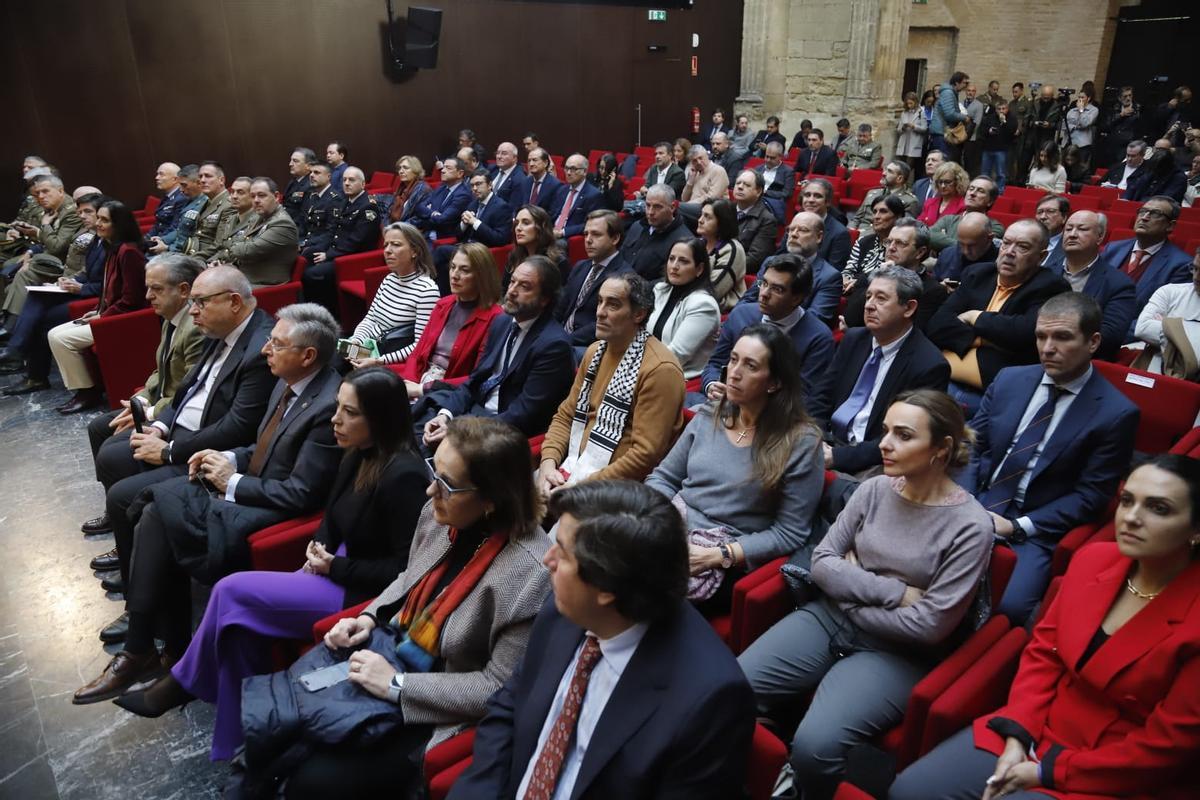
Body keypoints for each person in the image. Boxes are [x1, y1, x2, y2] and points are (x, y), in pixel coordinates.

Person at [112, 366, 429, 763]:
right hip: (334, 566)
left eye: (350, 413)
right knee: (239, 631)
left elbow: (407, 570)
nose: (335, 419)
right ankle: (240, 742)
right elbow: (333, 515)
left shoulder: (405, 476)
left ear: (380, 419)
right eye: (337, 409)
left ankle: (180, 683)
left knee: (230, 590)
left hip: (362, 595)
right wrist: (320, 547)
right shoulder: (357, 450)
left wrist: (334, 567)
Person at [228, 416, 552, 796]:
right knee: (272, 732)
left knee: (312, 782)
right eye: (435, 472)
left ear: (491, 501)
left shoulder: (532, 574)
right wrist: (368, 617)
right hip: (389, 650)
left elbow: (495, 687)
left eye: (447, 484)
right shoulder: (439, 514)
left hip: (432, 705)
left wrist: (396, 684)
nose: (431, 490)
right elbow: (409, 576)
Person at [72, 303, 344, 705]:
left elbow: (301, 493)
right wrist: (229, 457)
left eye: (277, 343)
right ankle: (156, 644)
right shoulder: (289, 380)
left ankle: (143, 649)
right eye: (268, 340)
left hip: (273, 511)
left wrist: (231, 479)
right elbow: (266, 444)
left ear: (307, 355)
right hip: (251, 485)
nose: (266, 349)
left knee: (158, 511)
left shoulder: (327, 406)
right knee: (154, 509)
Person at [891, 454, 1200, 800]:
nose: (1131, 517)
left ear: (1195, 530)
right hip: (1040, 724)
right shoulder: (1094, 559)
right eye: (1127, 500)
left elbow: (1166, 746)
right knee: (911, 790)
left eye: (1158, 509)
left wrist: (1047, 771)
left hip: (1115, 769)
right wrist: (1018, 733)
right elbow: (1043, 653)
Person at [739, 388, 993, 799]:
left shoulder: (970, 527)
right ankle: (760, 763)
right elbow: (822, 563)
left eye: (904, 435)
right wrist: (895, 591)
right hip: (828, 617)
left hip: (896, 651)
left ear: (941, 449)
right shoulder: (874, 489)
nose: (886, 444)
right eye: (886, 431)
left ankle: (802, 787)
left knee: (814, 749)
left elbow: (928, 626)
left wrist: (849, 586)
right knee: (734, 687)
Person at [450, 480, 754, 800]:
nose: (547, 560)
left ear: (606, 589)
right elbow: (510, 706)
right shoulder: (565, 609)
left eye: (563, 553)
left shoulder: (710, 701)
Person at [86, 266, 276, 641]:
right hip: (182, 432)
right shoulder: (217, 331)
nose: (192, 312)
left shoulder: (259, 346)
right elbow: (186, 389)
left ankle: (146, 604)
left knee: (124, 496)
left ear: (234, 302)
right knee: (111, 453)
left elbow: (237, 426)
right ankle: (134, 568)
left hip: (209, 450)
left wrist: (170, 450)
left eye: (200, 302)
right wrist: (159, 426)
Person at [963, 292, 1139, 622]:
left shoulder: (1117, 414)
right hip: (976, 497)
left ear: (1093, 342)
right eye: (1041, 336)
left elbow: (1091, 496)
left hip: (1034, 524)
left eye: (1062, 337)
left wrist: (1017, 526)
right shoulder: (1010, 379)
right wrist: (966, 499)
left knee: (1006, 607)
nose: (1047, 348)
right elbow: (972, 444)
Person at [649, 323, 824, 610]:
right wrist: (662, 520)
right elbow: (664, 478)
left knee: (631, 585)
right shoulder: (710, 414)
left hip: (721, 554)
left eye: (750, 365)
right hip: (670, 526)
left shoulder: (801, 442)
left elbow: (790, 532)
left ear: (774, 382)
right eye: (733, 360)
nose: (735, 372)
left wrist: (719, 555)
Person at [538, 273, 684, 494]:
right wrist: (547, 465)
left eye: (612, 305)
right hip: (570, 466)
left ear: (639, 314)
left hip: (615, 489)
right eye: (599, 301)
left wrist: (580, 487)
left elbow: (645, 455)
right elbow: (566, 415)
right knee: (513, 497)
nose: (599, 312)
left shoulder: (660, 370)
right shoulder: (595, 351)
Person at [415, 256, 573, 446]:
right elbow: (476, 379)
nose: (512, 291)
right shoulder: (502, 322)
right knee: (415, 423)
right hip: (476, 409)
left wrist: (461, 429)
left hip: (503, 429)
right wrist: (445, 415)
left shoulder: (554, 345)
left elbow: (525, 413)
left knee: (423, 446)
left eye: (525, 286)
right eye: (513, 281)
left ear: (545, 299)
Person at [811, 266, 951, 476]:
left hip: (874, 460)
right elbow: (820, 396)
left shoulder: (929, 365)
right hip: (826, 440)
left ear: (909, 308)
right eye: (868, 297)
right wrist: (816, 438)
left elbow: (904, 437)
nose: (869, 306)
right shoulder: (854, 339)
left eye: (881, 298)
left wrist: (837, 457)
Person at [15, 200, 149, 411]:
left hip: (122, 320)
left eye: (104, 220)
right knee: (54, 333)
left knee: (61, 339)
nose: (98, 224)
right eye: (99, 219)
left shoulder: (129, 252)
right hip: (107, 314)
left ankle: (88, 392)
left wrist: (103, 316)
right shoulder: (112, 248)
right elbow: (109, 291)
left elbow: (131, 300)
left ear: (119, 224)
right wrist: (97, 310)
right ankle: (84, 389)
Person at [927, 219, 1071, 413]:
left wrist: (974, 317)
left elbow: (1025, 333)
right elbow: (937, 325)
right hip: (942, 377)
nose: (1010, 252)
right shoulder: (978, 274)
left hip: (992, 392)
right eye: (1006, 243)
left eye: (1023, 247)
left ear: (1041, 256)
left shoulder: (1052, 287)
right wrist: (984, 340)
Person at [0, 192, 108, 378]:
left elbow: (113, 285)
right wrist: (71, 281)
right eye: (80, 211)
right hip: (78, 285)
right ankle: (16, 350)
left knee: (41, 316)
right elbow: (86, 271)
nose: (82, 216)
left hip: (95, 298)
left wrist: (80, 286)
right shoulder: (95, 238)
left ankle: (21, 358)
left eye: (87, 212)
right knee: (36, 295)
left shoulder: (115, 245)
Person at [703, 254, 835, 399]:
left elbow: (802, 395)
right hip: (722, 402)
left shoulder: (818, 338)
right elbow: (715, 363)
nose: (764, 294)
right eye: (764, 283)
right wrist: (712, 385)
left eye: (777, 289)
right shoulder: (741, 315)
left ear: (796, 298)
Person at [399, 242, 504, 400]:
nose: (454, 275)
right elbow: (418, 353)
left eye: (464, 270)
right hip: (419, 380)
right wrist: (408, 383)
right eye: (453, 267)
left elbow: (477, 376)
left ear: (482, 276)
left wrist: (420, 390)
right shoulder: (443, 304)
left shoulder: (495, 318)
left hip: (447, 393)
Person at [344, 222, 439, 367]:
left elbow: (420, 346)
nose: (388, 251)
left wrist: (378, 361)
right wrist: (356, 341)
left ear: (415, 251)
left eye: (396, 244)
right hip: (369, 349)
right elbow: (371, 319)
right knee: (326, 359)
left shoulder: (427, 291)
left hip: (388, 359)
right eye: (386, 245)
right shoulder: (389, 279)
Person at [1050, 210, 1137, 356]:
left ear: (1100, 236)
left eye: (1082, 229)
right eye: (1068, 229)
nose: (1072, 234)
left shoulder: (1119, 284)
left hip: (1082, 359)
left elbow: (1110, 336)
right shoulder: (1045, 271)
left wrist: (1058, 340)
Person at [1097, 195, 1193, 320]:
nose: (1144, 217)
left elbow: (1161, 316)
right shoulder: (1113, 249)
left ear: (1170, 226)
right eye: (1142, 211)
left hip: (1131, 333)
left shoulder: (1181, 265)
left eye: (1155, 214)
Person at [739, 210, 843, 326]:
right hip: (753, 325)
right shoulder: (770, 262)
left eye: (803, 230)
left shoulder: (829, 277)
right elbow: (748, 299)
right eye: (791, 229)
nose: (793, 234)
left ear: (819, 237)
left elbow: (814, 320)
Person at [844, 218, 948, 332]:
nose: (891, 248)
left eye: (900, 243)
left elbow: (911, 333)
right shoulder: (870, 277)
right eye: (889, 241)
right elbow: (850, 320)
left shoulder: (933, 290)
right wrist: (880, 279)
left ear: (920, 252)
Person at [304, 167, 382, 315]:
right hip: (339, 250)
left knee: (312, 274)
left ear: (363, 184)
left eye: (351, 180)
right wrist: (320, 248)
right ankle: (312, 310)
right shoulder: (345, 201)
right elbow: (333, 231)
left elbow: (356, 241)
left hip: (354, 259)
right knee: (305, 258)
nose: (346, 183)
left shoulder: (368, 207)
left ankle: (326, 313)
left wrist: (328, 255)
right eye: (344, 180)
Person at [555, 209, 631, 352]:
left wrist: (562, 340)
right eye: (586, 234)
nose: (588, 240)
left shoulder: (623, 277)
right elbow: (561, 306)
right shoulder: (580, 266)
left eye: (596, 234)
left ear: (615, 238)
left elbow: (604, 323)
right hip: (562, 337)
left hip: (590, 347)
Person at [645, 239, 721, 380]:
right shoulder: (660, 289)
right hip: (648, 369)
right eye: (671, 259)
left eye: (683, 261)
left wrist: (635, 368)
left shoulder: (704, 305)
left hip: (677, 378)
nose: (674, 266)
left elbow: (677, 355)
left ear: (699, 269)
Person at [432, 169, 513, 292]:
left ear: (490, 185)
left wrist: (475, 223)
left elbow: (500, 239)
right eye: (472, 185)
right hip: (465, 248)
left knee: (441, 250)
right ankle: (440, 296)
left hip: (483, 252)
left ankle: (423, 278)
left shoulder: (501, 207)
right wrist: (463, 224)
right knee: (444, 268)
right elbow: (458, 236)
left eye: (479, 184)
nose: (474, 188)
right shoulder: (473, 204)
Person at [223, 177, 299, 287]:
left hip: (265, 286)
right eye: (253, 196)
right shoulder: (259, 217)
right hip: (245, 276)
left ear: (277, 196)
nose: (256, 200)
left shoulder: (282, 223)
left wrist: (230, 245)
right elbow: (240, 244)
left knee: (213, 293)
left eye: (262, 195)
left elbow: (246, 251)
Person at [619, 185, 691, 282]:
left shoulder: (684, 241)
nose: (650, 212)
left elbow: (669, 280)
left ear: (672, 207)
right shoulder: (637, 226)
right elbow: (620, 258)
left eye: (657, 207)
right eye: (648, 205)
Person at [842, 195, 907, 294]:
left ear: (898, 217)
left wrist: (859, 283)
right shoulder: (863, 241)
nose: (876, 217)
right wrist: (845, 280)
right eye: (874, 212)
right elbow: (849, 269)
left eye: (883, 211)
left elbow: (891, 277)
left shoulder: (900, 247)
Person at [927, 175, 1005, 253]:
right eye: (971, 189)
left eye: (980, 191)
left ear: (990, 201)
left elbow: (975, 245)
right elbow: (929, 235)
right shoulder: (948, 219)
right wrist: (959, 244)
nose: (972, 193)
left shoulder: (994, 226)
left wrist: (943, 240)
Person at [698, 198, 747, 312]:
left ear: (722, 223)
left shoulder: (733, 249)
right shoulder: (700, 243)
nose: (700, 220)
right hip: (692, 299)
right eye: (701, 215)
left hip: (716, 308)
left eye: (707, 217)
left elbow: (713, 290)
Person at [502, 204, 567, 288]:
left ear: (541, 227)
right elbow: (504, 290)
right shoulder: (514, 257)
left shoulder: (558, 262)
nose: (518, 228)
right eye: (516, 223)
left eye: (526, 223)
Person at [731, 169, 778, 275]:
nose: (740, 187)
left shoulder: (767, 220)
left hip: (736, 272)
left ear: (758, 191)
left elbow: (754, 260)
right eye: (738, 183)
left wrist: (723, 264)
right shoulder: (725, 209)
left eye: (746, 185)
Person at [848, 160, 918, 230]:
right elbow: (856, 219)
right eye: (885, 170)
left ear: (899, 179)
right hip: (859, 231)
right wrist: (851, 230)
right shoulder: (872, 193)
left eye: (889, 171)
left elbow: (901, 229)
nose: (884, 173)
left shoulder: (910, 201)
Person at [932, 211, 1000, 283]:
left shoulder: (1001, 265)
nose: (965, 251)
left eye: (971, 246)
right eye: (961, 244)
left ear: (989, 238)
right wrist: (941, 288)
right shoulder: (946, 255)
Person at [412, 158, 471, 241]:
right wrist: (433, 213)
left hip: (442, 239)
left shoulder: (463, 194)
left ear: (460, 173)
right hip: (425, 233)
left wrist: (429, 210)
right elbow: (419, 207)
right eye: (443, 167)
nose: (443, 170)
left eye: (448, 168)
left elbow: (442, 219)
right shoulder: (441, 187)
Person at [549, 153, 602, 240]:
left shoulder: (593, 195)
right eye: (566, 168)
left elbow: (590, 224)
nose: (569, 173)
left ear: (585, 172)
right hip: (551, 232)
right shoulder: (561, 190)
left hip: (568, 237)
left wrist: (563, 232)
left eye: (573, 169)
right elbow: (552, 214)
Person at [298, 162, 342, 258]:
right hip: (304, 241)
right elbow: (303, 223)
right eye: (311, 172)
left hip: (318, 245)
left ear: (328, 177)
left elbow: (330, 232)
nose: (312, 175)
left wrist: (304, 244)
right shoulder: (310, 195)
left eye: (317, 173)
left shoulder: (335, 199)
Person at [143, 161, 189, 245]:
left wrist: (157, 241)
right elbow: (158, 224)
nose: (157, 177)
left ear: (175, 179)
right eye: (157, 174)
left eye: (161, 174)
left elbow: (176, 228)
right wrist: (147, 237)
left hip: (168, 243)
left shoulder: (181, 199)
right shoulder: (167, 197)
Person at [980, 99, 1018, 192]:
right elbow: (982, 131)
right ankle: (984, 189)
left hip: (1002, 149)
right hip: (988, 148)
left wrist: (1004, 122)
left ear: (1007, 109)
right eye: (999, 109)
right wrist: (989, 131)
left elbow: (1012, 132)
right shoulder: (989, 118)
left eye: (1003, 108)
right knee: (985, 172)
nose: (1001, 111)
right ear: (996, 110)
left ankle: (1000, 192)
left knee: (1000, 173)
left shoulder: (1012, 118)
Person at [930, 71, 970, 157]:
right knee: (942, 162)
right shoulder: (948, 93)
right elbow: (949, 114)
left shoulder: (950, 92)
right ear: (956, 83)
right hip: (941, 132)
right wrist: (964, 118)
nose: (966, 85)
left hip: (943, 132)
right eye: (964, 82)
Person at [755, 140, 796, 222]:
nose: (768, 160)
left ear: (780, 156)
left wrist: (765, 192)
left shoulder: (788, 172)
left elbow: (787, 194)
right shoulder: (758, 168)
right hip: (755, 200)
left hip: (772, 203)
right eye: (766, 156)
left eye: (772, 158)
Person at [388, 155, 432, 224]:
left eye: (405, 168)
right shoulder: (402, 188)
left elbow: (419, 219)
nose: (401, 171)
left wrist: (397, 228)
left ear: (416, 171)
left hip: (410, 230)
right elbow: (390, 211)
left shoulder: (423, 190)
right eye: (399, 168)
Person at [523, 148, 566, 214]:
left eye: (535, 160)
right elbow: (518, 205)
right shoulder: (525, 182)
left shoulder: (556, 185)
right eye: (529, 161)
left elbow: (553, 213)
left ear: (545, 163)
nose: (531, 164)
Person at [896, 92, 929, 174]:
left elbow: (924, 128)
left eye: (911, 103)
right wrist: (903, 128)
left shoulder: (921, 113)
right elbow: (898, 130)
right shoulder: (904, 113)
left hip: (914, 143)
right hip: (904, 142)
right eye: (907, 103)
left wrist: (914, 126)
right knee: (900, 166)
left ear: (915, 102)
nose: (909, 105)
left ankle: (907, 183)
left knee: (908, 167)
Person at [282, 148, 316, 226]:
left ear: (309, 166)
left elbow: (303, 217)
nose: (290, 164)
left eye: (295, 161)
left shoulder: (311, 185)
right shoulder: (293, 182)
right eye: (291, 160)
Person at [1036, 194, 1070, 270]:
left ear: (1064, 217)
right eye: (1039, 212)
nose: (1043, 217)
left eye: (1050, 211)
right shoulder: (1025, 239)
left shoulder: (1070, 247)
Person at [489, 142, 528, 207]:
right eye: (498, 153)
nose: (499, 156)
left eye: (504, 154)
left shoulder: (520, 179)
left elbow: (514, 207)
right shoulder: (492, 169)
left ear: (514, 158)